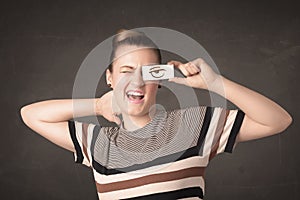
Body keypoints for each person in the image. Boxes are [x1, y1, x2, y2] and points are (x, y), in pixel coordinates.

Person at [20, 29, 293, 200]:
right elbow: (31, 115)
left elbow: (278, 121)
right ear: (110, 78)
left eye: (147, 72)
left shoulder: (192, 125)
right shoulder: (98, 143)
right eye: (126, 71)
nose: (136, 82)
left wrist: (214, 83)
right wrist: (97, 106)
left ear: (159, 80)